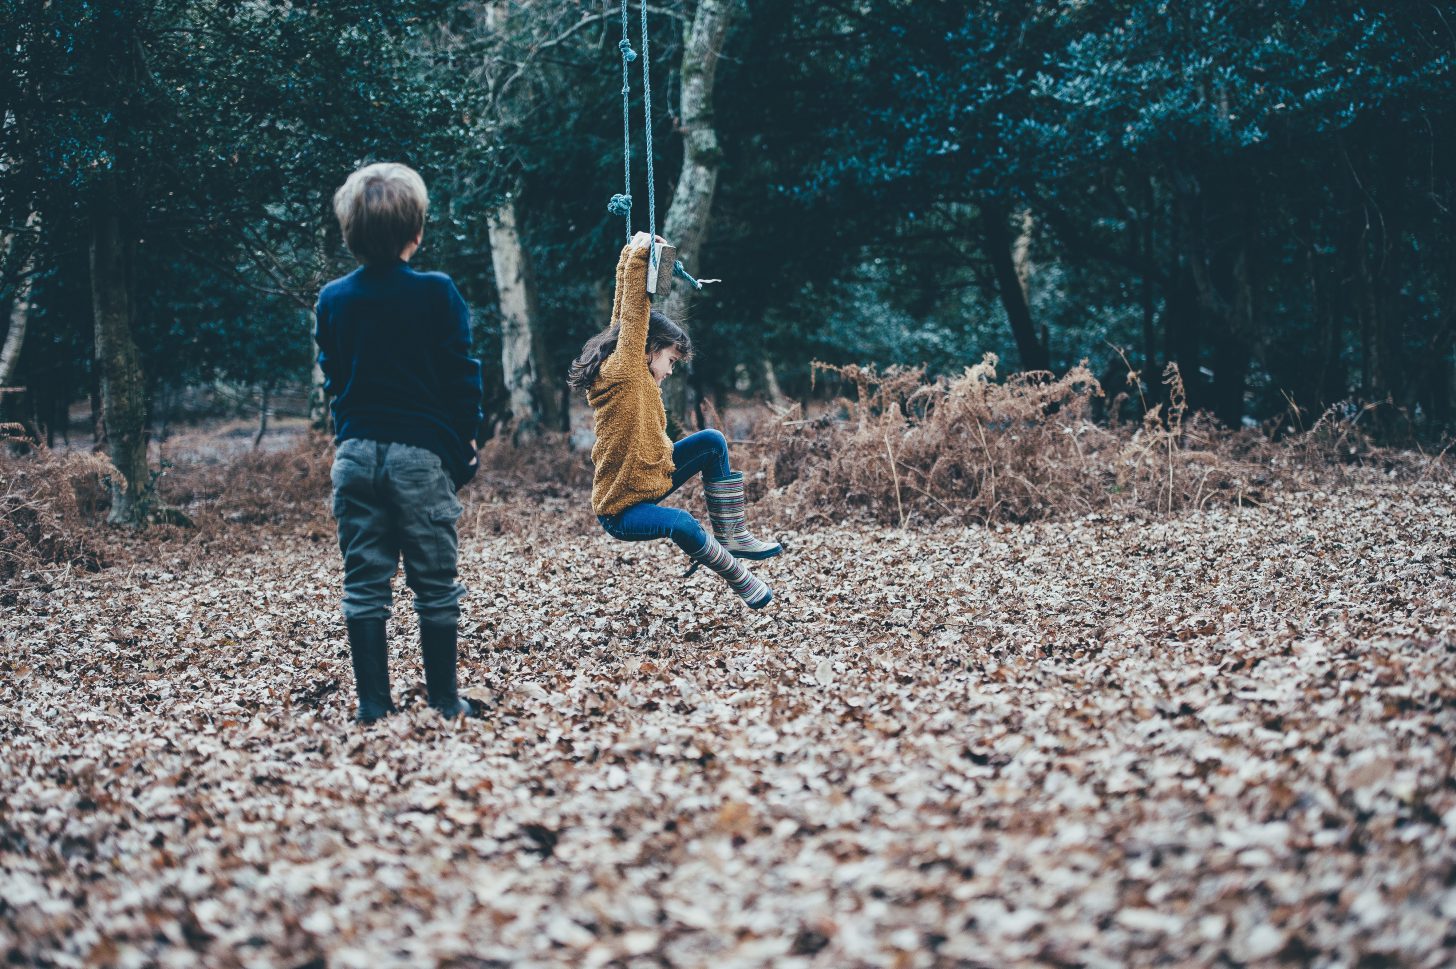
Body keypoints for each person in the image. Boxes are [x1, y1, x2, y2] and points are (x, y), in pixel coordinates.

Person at [314, 162, 485, 722]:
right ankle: (443, 701)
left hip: (356, 453)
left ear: (350, 232)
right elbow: (462, 374)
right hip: (420, 456)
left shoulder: (333, 299)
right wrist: (465, 444)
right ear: (418, 231)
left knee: (364, 578)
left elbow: (334, 376)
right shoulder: (437, 293)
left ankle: (372, 707)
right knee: (434, 579)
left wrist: (349, 436)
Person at [568, 233, 781, 609]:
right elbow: (634, 314)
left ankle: (732, 533)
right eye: (669, 360)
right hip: (623, 509)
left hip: (653, 476)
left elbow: (621, 318)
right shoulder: (624, 372)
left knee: (712, 441)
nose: (669, 371)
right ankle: (737, 574)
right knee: (682, 522)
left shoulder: (630, 367)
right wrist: (640, 256)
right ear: (648, 350)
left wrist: (627, 255)